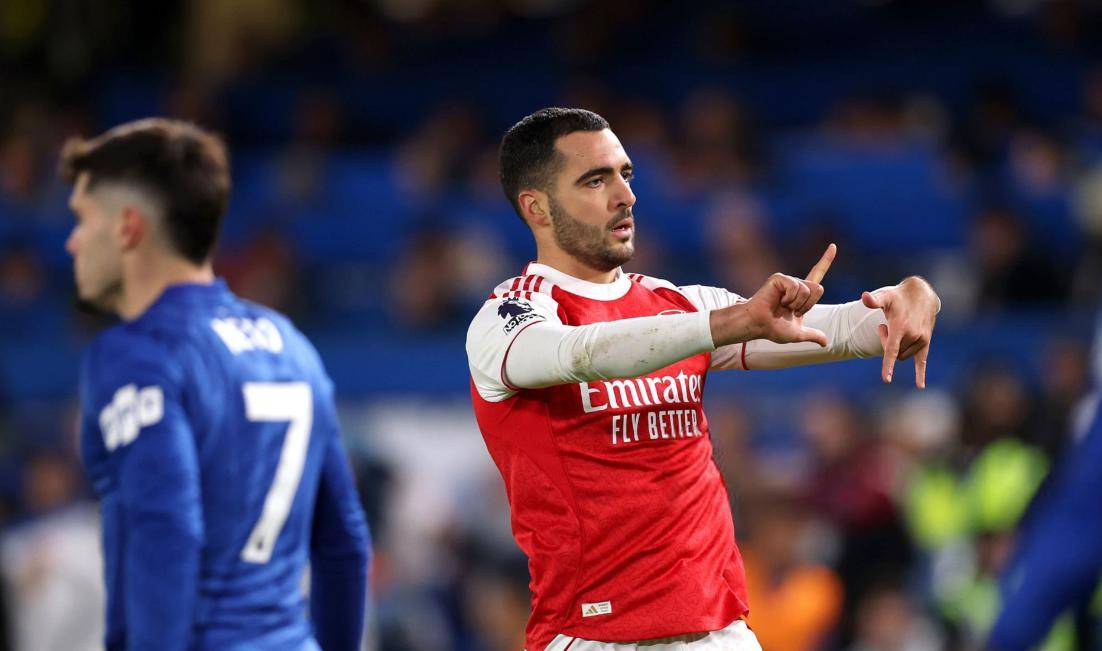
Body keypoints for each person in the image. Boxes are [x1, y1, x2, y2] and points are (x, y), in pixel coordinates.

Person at [465, 108, 940, 651]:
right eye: (595, 180)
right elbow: (580, 354)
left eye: (626, 174)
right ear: (537, 207)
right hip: (594, 636)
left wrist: (911, 298)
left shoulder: (679, 306)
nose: (625, 196)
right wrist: (726, 324)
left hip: (722, 634)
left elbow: (840, 330)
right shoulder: (507, 318)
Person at [62, 118, 370, 651]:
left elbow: (167, 530)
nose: (72, 241)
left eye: (83, 218)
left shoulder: (137, 353)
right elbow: (344, 544)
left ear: (127, 227)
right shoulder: (290, 345)